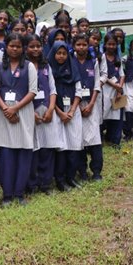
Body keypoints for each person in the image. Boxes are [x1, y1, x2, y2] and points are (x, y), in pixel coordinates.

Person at [0, 34, 37, 206]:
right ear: (6, 46)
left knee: (23, 153)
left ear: (23, 48)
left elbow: (33, 91)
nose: (15, 49)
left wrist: (15, 108)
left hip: (23, 114)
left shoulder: (29, 67)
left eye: (18, 46)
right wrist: (6, 109)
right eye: (12, 45)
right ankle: (7, 194)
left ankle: (19, 194)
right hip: (4, 115)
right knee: (6, 155)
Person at [26, 34, 65, 194]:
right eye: (32, 46)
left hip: (47, 111)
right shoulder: (24, 66)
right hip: (31, 112)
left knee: (47, 149)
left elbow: (53, 89)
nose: (35, 49)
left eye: (38, 46)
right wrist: (30, 113)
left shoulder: (46, 66)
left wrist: (50, 109)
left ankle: (46, 183)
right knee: (33, 149)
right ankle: (32, 184)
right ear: (25, 48)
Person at [49, 41, 83, 190]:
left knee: (74, 145)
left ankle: (71, 177)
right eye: (58, 53)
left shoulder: (72, 68)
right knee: (61, 147)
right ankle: (60, 180)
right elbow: (50, 93)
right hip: (58, 113)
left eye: (64, 53)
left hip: (72, 112)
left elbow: (78, 91)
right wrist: (60, 112)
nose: (61, 56)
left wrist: (72, 111)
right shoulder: (50, 71)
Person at [73, 33, 103, 181]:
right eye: (78, 44)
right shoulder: (70, 60)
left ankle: (96, 171)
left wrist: (91, 104)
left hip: (91, 104)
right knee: (79, 139)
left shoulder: (94, 61)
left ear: (88, 46)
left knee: (94, 138)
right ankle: (82, 171)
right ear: (74, 46)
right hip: (75, 105)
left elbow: (97, 84)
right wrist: (77, 106)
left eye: (84, 44)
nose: (81, 47)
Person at [100, 33, 126, 146]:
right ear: (105, 45)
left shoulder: (117, 58)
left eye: (113, 44)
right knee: (103, 114)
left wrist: (119, 89)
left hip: (117, 90)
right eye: (109, 44)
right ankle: (100, 139)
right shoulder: (102, 57)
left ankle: (115, 140)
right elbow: (102, 75)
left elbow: (122, 74)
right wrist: (115, 86)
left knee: (117, 116)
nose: (111, 46)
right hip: (105, 89)